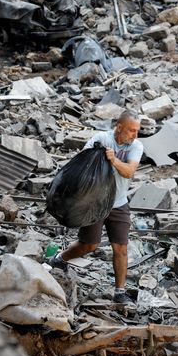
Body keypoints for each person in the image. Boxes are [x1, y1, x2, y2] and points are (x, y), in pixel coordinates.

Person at [46, 110, 143, 304]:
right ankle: (59, 258)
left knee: (121, 248)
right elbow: (83, 163)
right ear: (119, 128)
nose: (135, 135)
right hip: (95, 203)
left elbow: (129, 171)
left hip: (119, 203)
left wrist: (113, 160)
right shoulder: (101, 138)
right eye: (132, 130)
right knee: (89, 245)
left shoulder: (136, 146)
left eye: (137, 131)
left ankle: (119, 292)